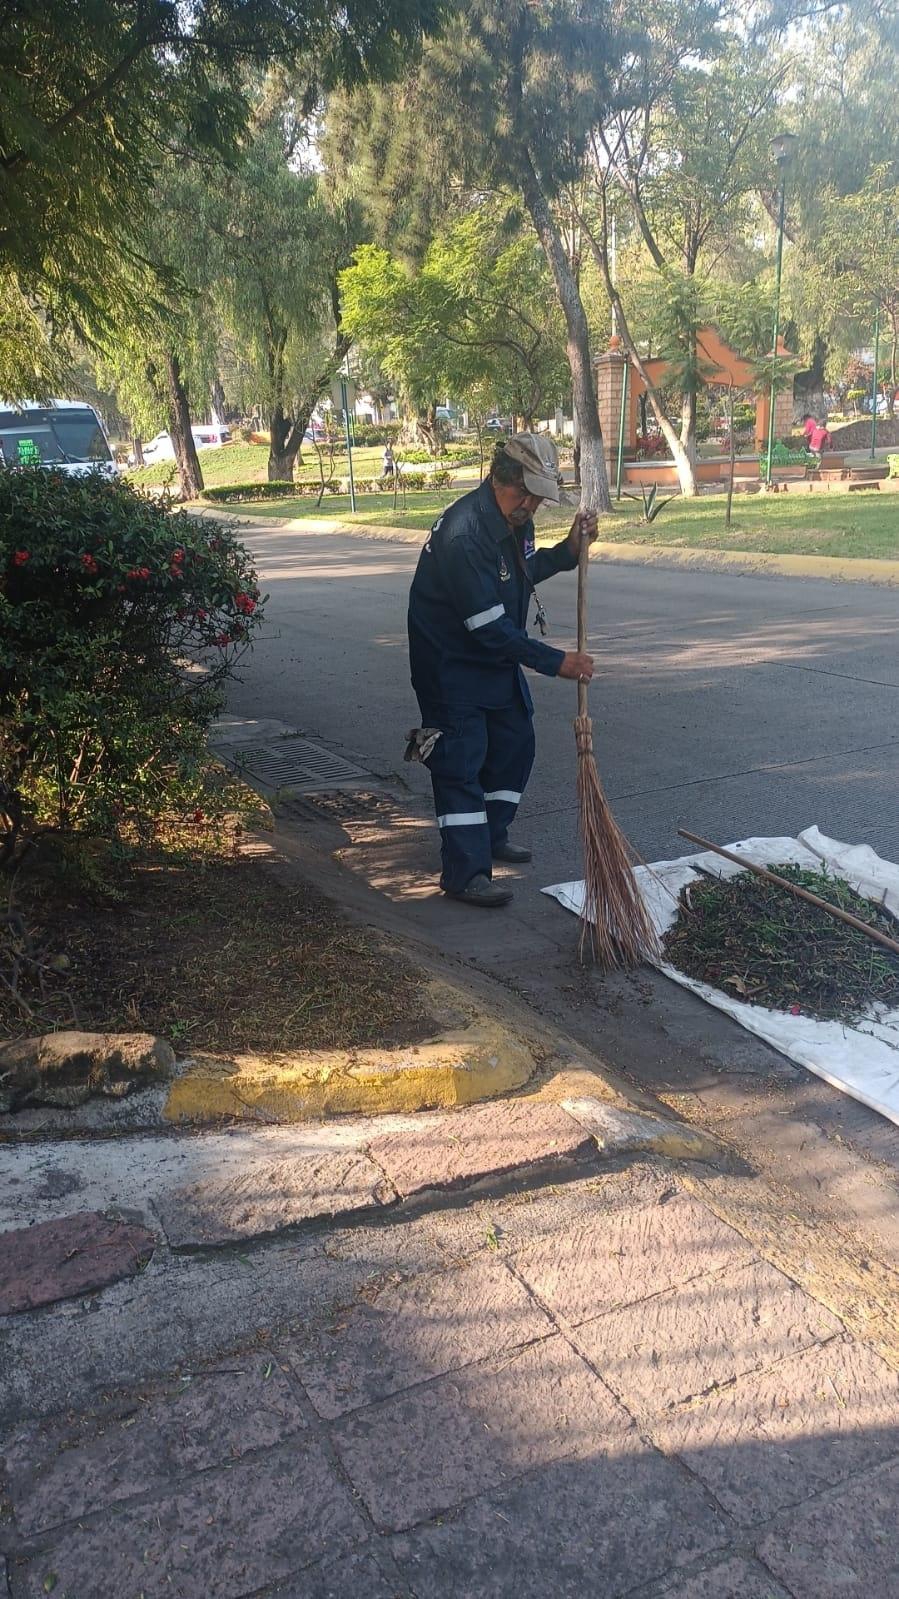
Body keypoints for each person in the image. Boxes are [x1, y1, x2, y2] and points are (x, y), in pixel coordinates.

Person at [407, 434, 597, 908]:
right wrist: (557, 662)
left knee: (514, 744)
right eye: (523, 494)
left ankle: (491, 834)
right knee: (461, 763)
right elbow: (487, 626)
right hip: (450, 667)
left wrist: (570, 550)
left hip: (493, 660)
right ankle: (465, 872)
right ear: (498, 479)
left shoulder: (515, 522)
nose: (530, 504)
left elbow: (522, 572)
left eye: (537, 497)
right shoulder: (464, 533)